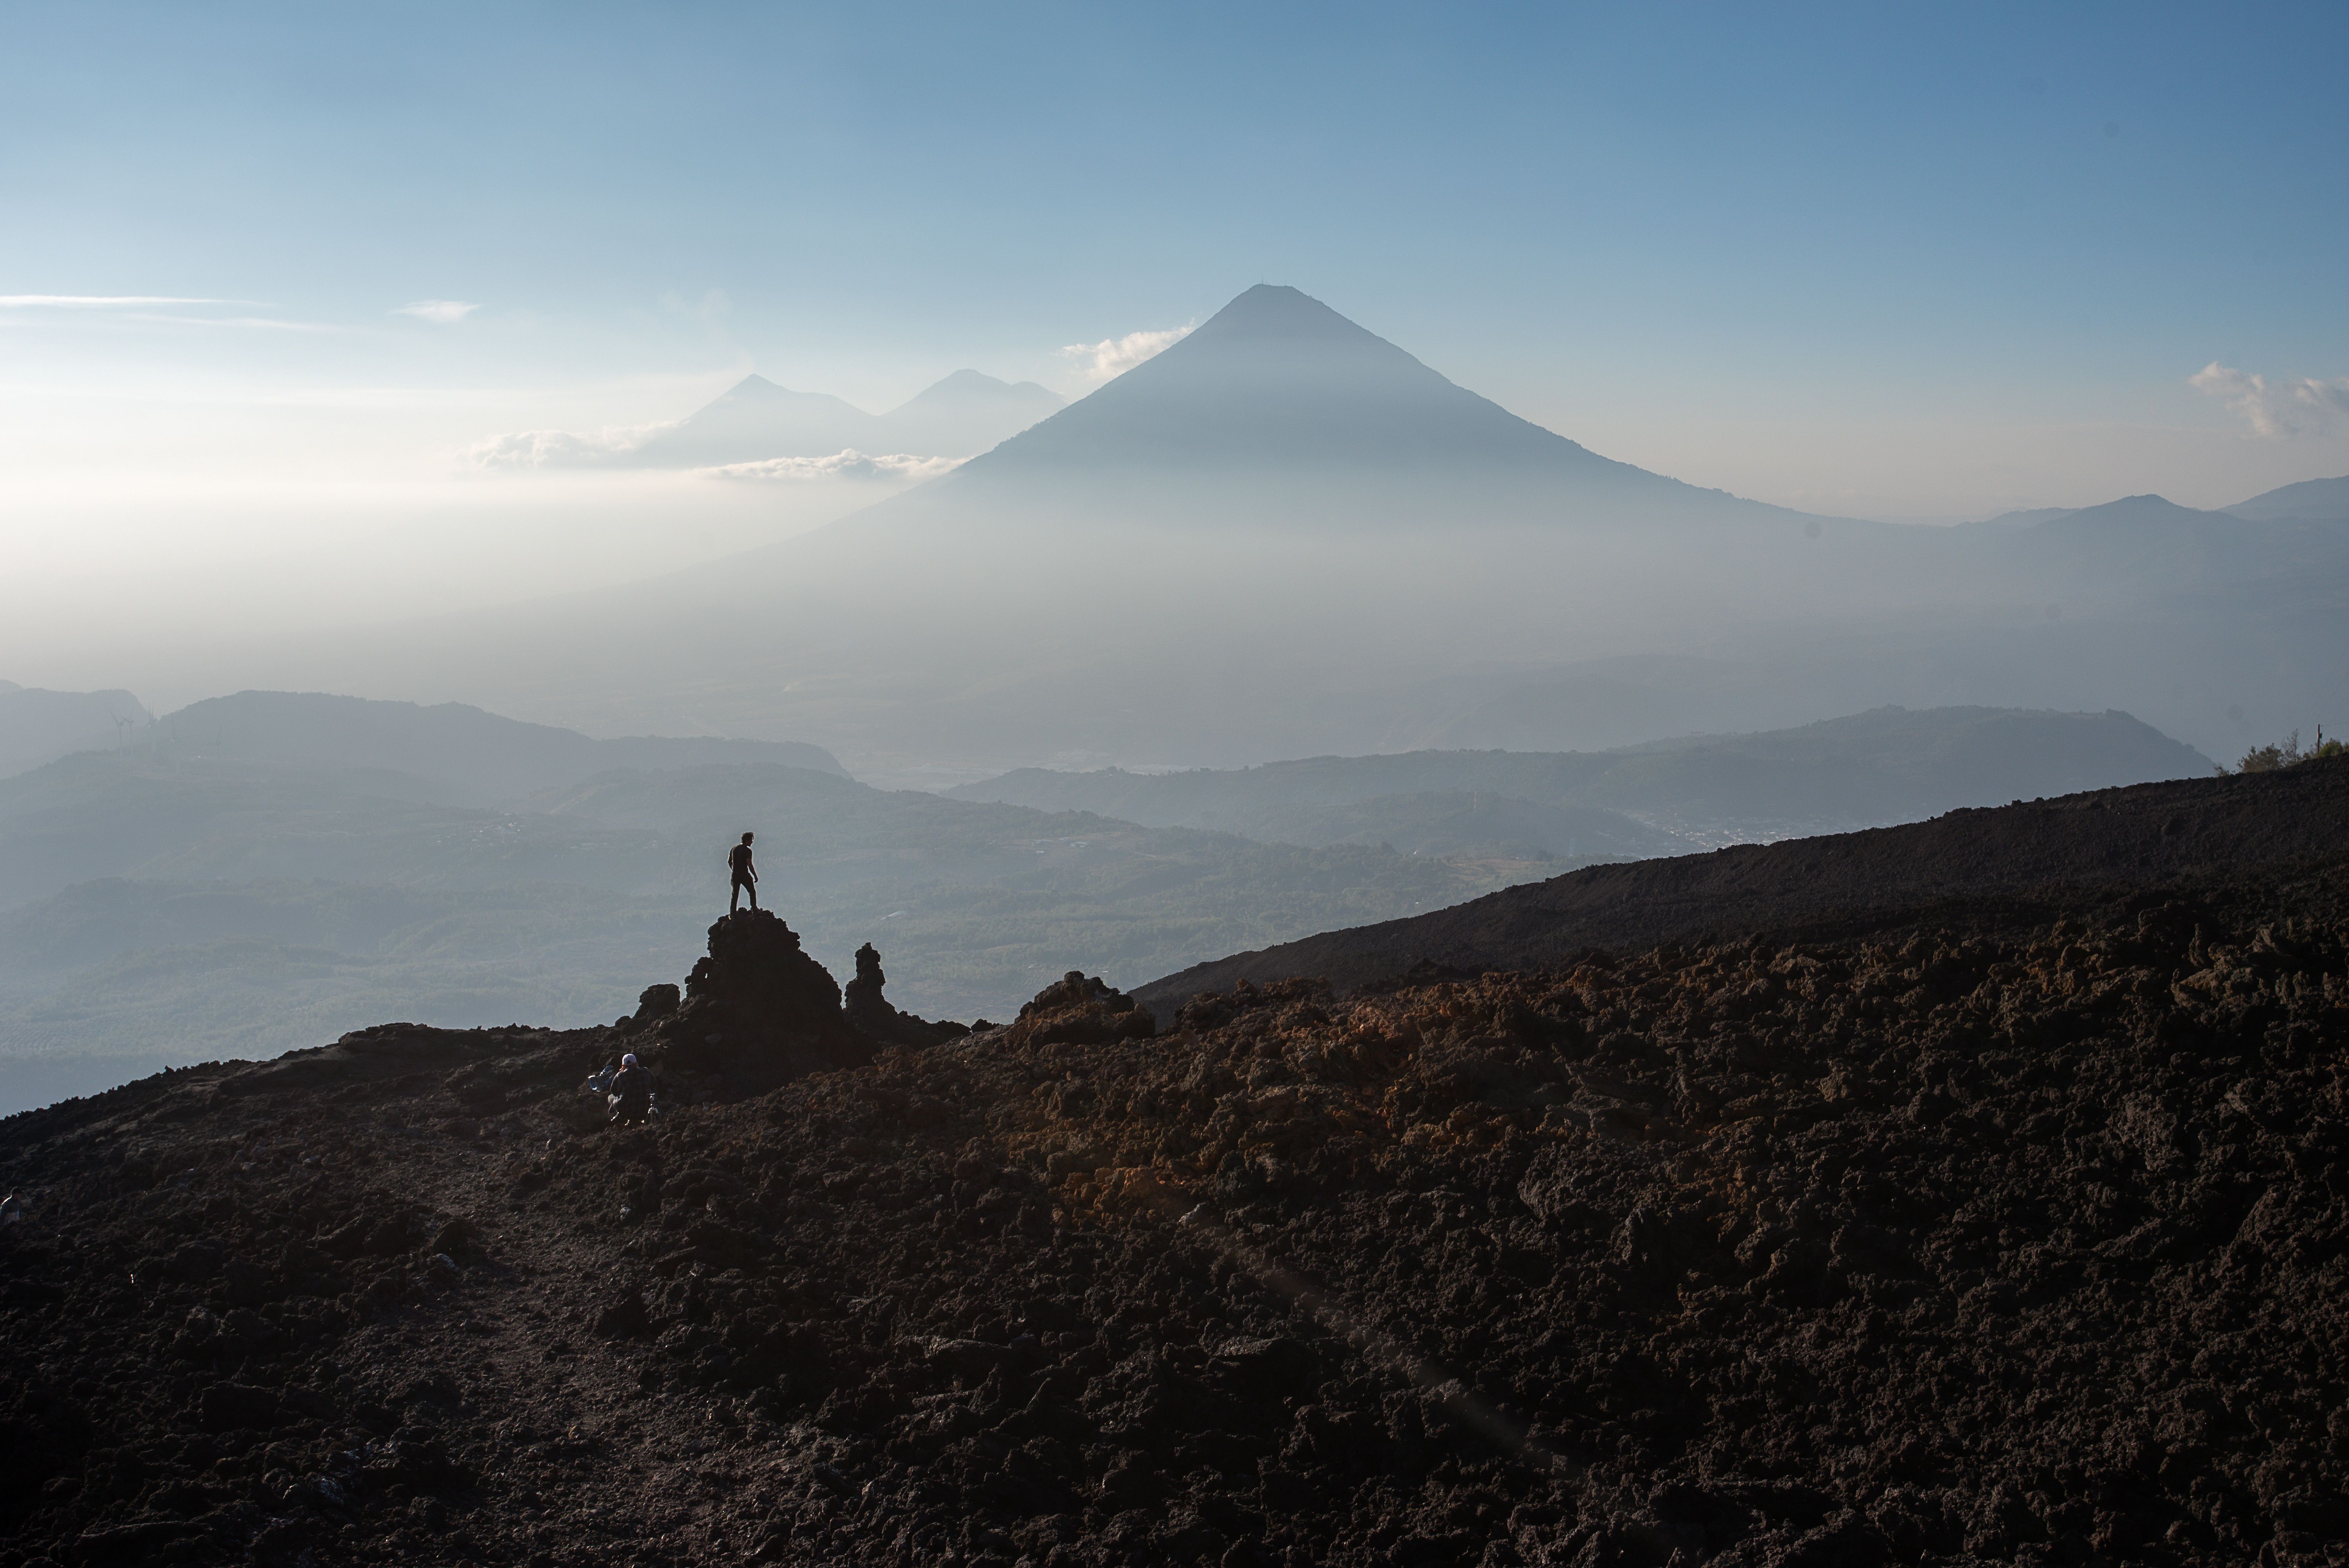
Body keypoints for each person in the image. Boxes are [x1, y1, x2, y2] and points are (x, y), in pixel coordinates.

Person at [608, 1052, 654, 1126]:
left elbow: (614, 1091)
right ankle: (653, 1117)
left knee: (611, 1098)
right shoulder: (646, 1071)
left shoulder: (620, 1075)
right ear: (636, 1064)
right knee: (652, 1092)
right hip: (647, 1111)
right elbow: (654, 1084)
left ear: (623, 1066)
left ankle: (621, 1116)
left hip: (629, 1113)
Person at [728, 831, 759, 913]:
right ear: (747, 840)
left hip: (735, 875)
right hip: (744, 874)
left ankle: (733, 913)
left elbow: (729, 861)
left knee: (735, 894)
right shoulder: (748, 851)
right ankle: (754, 909)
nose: (752, 842)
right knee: (752, 892)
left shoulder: (734, 849)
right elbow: (750, 864)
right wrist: (755, 875)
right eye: (751, 840)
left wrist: (733, 869)